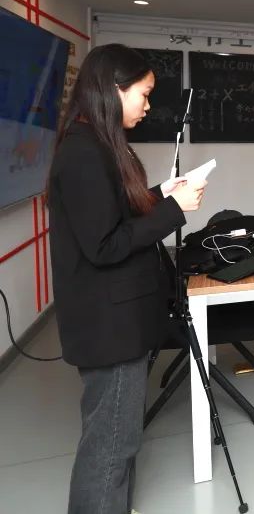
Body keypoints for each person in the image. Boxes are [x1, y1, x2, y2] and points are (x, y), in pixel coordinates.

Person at [48, 44, 207, 514]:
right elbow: (105, 244)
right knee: (110, 445)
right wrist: (173, 211)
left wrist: (160, 194)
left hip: (120, 319)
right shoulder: (84, 152)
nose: (148, 105)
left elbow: (114, 211)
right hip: (108, 326)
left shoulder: (98, 143)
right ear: (114, 89)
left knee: (121, 438)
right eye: (144, 93)